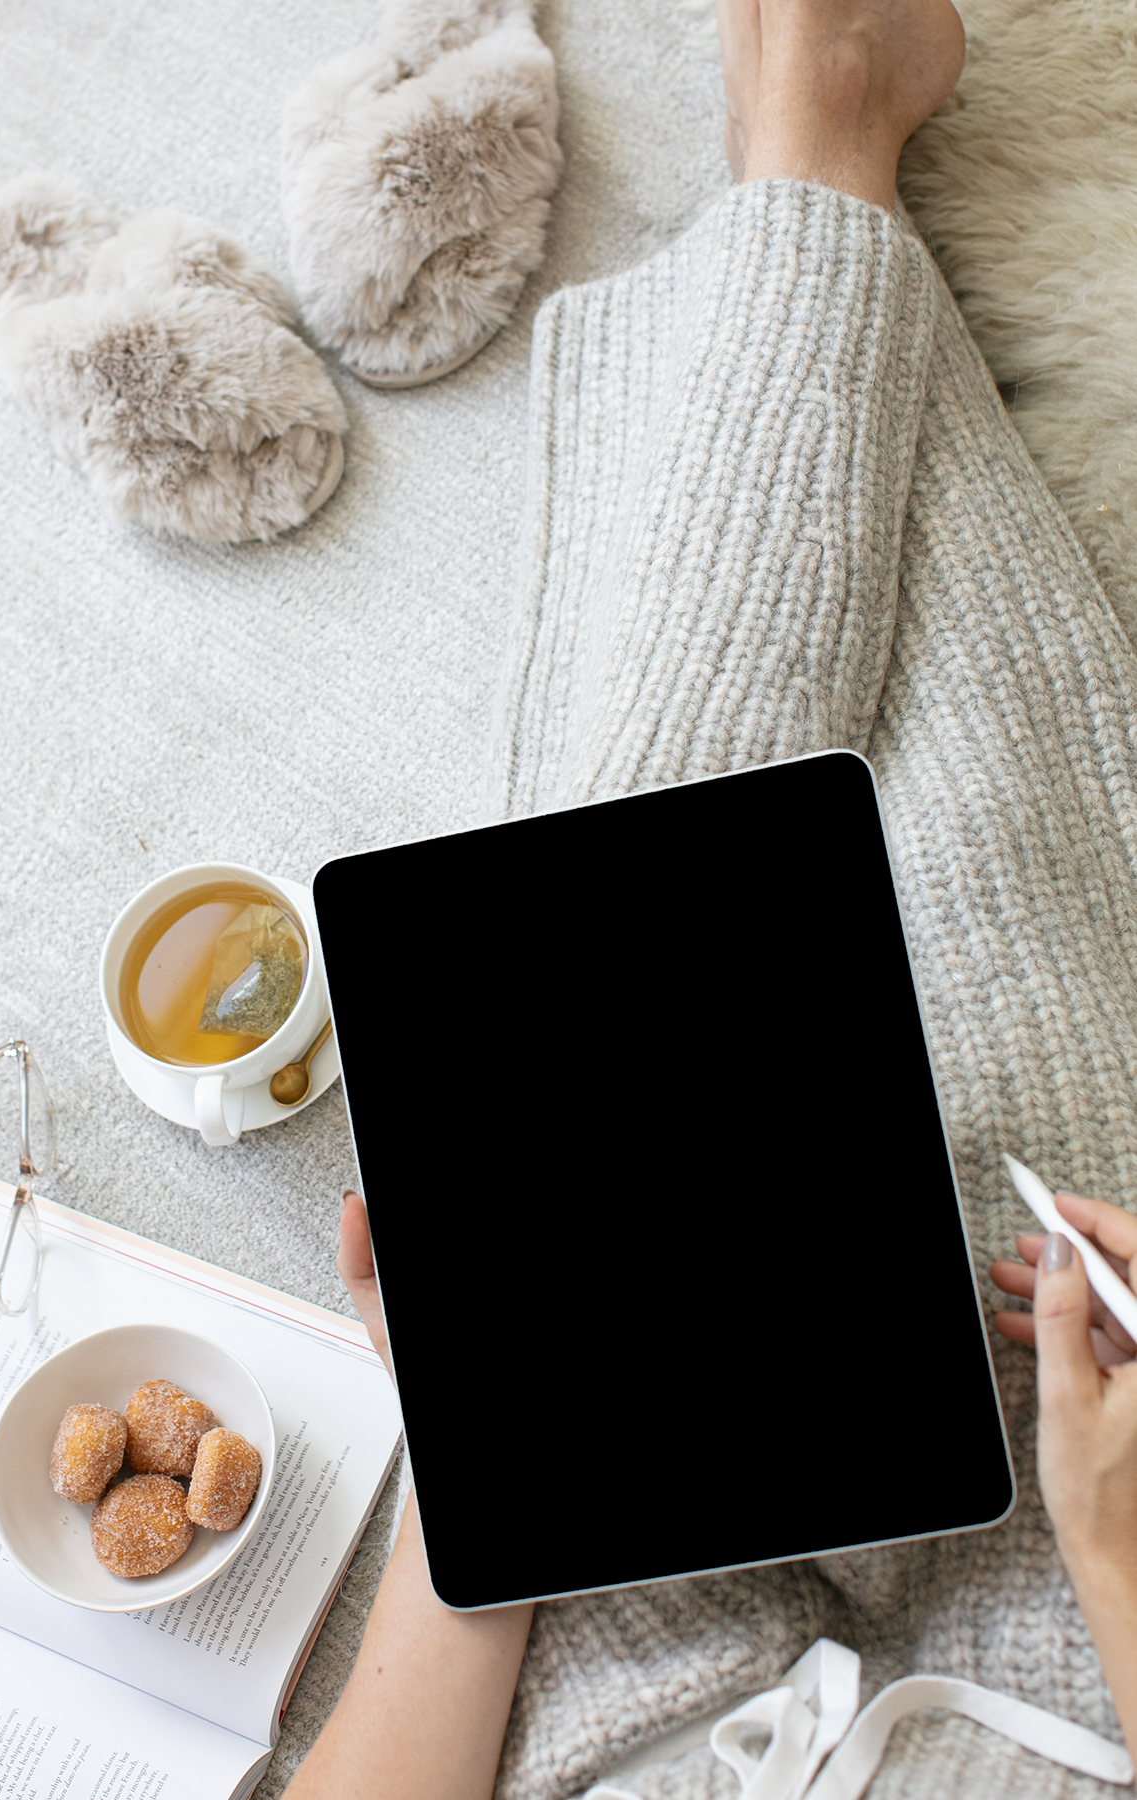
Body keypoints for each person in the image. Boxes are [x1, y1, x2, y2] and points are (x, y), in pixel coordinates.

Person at [290, 1, 1137, 1794]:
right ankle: (822, 175)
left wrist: (477, 1506)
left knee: (616, 944)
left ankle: (812, 179)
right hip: (1066, 1681)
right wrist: (1128, 1570)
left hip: (620, 1703)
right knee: (974, 859)